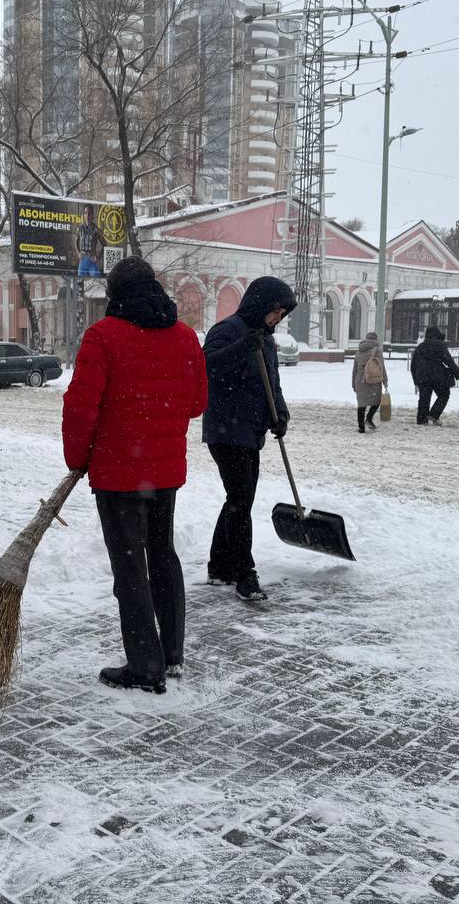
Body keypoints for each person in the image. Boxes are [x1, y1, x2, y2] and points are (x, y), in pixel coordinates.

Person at [63, 257, 206, 694]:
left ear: (115, 293)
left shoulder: (103, 336)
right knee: (163, 557)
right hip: (164, 473)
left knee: (130, 569)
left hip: (117, 476)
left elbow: (80, 408)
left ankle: (145, 666)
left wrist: (78, 459)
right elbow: (198, 402)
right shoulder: (183, 336)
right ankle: (172, 652)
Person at [203, 276, 296, 600]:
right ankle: (244, 573)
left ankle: (219, 566)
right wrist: (244, 347)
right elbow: (206, 367)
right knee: (241, 500)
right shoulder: (227, 330)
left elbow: (274, 383)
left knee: (238, 500)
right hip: (225, 429)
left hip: (249, 431)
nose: (277, 319)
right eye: (275, 312)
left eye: (282, 314)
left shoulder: (266, 340)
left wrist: (280, 415)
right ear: (260, 305)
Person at [410, 326, 459, 425]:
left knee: (424, 398)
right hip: (437, 376)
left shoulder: (420, 347)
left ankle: (421, 420)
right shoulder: (439, 345)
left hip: (422, 377)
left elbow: (413, 365)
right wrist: (456, 371)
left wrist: (416, 380)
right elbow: (448, 360)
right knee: (444, 394)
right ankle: (434, 414)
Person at [351, 331, 386, 433]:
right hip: (374, 380)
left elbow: (355, 370)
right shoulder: (377, 351)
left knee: (361, 404)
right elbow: (381, 367)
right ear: (376, 339)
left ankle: (361, 428)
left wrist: (353, 383)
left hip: (360, 380)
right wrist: (385, 380)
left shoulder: (359, 352)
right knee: (376, 402)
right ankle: (369, 418)